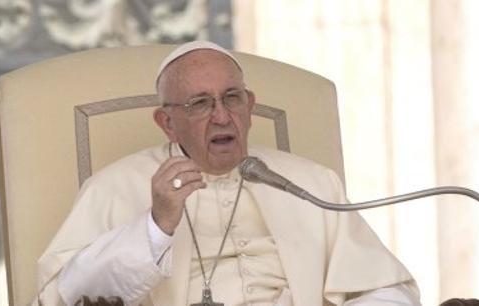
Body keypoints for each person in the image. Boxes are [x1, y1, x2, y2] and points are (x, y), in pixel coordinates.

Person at [35, 41, 421, 306]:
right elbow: (67, 296)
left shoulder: (312, 183)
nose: (222, 116)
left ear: (250, 105)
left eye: (232, 98)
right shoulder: (114, 187)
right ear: (167, 122)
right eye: (200, 103)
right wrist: (155, 227)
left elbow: (384, 289)